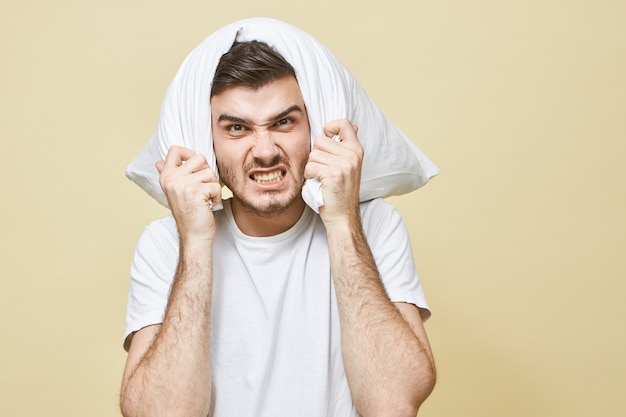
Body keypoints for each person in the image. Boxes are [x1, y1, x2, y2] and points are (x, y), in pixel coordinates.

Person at [120, 33, 436, 417]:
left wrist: (340, 220)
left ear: (315, 129)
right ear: (208, 144)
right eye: (237, 128)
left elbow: (392, 405)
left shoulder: (373, 225)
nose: (266, 151)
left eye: (284, 122)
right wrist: (197, 243)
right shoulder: (167, 243)